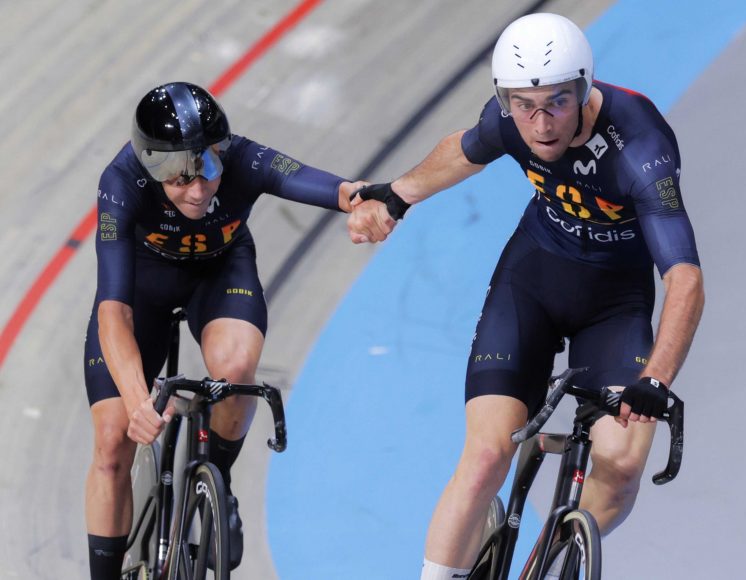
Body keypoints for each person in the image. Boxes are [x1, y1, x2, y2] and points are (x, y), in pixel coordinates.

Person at [347, 12, 704, 579]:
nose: (540, 124)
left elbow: (684, 277)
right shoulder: (508, 120)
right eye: (524, 106)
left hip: (614, 306)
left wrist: (657, 379)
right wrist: (396, 195)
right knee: (487, 456)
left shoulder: (640, 147)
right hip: (533, 282)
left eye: (557, 103)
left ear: (584, 89)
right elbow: (463, 150)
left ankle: (543, 560)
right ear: (505, 99)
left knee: (621, 464)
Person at [84, 81, 364, 580]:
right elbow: (114, 313)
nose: (198, 191)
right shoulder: (121, 182)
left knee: (235, 372)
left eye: (208, 169)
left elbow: (320, 183)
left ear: (222, 151)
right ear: (151, 166)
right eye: (179, 178)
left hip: (219, 274)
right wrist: (137, 402)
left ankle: (217, 478)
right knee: (111, 445)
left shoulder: (243, 158)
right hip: (143, 290)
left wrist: (364, 198)